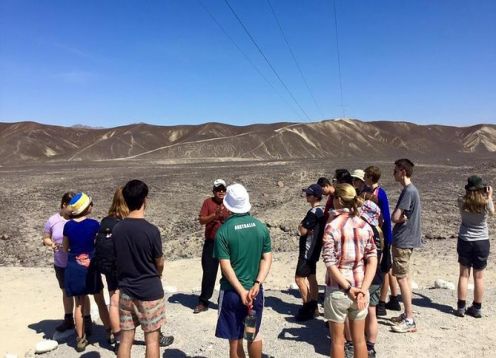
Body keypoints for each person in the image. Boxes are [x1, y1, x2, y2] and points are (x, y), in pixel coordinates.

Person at [214, 183, 272, 358]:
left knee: (235, 338)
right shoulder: (260, 227)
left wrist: (240, 291)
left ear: (227, 205)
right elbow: (266, 258)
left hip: (232, 292)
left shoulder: (223, 231)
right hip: (255, 292)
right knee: (253, 334)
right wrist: (257, 283)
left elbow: (225, 265)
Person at [322, 183, 377, 358]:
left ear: (338, 200)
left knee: (338, 341)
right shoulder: (365, 226)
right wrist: (363, 288)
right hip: (360, 287)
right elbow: (372, 258)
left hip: (339, 289)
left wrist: (347, 288)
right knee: (359, 339)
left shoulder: (332, 227)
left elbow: (330, 263)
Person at [113, 180, 166, 358]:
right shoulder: (151, 231)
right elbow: (159, 261)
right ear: (145, 200)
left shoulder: (118, 228)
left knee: (126, 339)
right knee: (152, 340)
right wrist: (158, 274)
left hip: (126, 291)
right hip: (149, 291)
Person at [62, 192, 111, 352]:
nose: (92, 205)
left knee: (79, 304)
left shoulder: (68, 226)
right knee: (100, 300)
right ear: (86, 208)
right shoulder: (94, 224)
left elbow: (65, 248)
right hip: (91, 266)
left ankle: (80, 339)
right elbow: (98, 244)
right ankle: (109, 332)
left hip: (74, 267)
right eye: (91, 203)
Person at [43, 192, 92, 332]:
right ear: (64, 205)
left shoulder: (77, 219)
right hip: (61, 263)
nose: (74, 209)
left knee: (81, 294)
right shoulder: (53, 220)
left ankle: (86, 320)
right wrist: (50, 243)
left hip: (77, 263)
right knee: (66, 292)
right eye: (72, 206)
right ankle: (68, 319)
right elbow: (46, 237)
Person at [390, 159, 422, 333]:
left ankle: (410, 319)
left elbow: (395, 217)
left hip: (403, 240)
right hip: (406, 239)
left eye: (395, 170)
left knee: (401, 279)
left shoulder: (408, 191)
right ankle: (406, 313)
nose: (393, 173)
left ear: (402, 171)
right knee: (405, 278)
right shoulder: (411, 190)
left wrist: (400, 218)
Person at [455, 176, 494, 318]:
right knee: (479, 277)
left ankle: (461, 307)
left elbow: (465, 199)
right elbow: (493, 212)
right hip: (481, 240)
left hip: (465, 239)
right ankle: (477, 307)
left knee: (464, 275)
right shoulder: (486, 203)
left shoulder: (462, 201)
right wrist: (489, 196)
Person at [363, 166, 398, 316]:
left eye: (366, 176)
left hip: (380, 236)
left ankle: (381, 303)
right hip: (370, 235)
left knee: (383, 270)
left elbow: (385, 216)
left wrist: (386, 237)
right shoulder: (367, 192)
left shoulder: (380, 193)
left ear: (371, 177)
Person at [195, 179, 230, 314]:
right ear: (214, 191)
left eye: (223, 189)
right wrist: (214, 215)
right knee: (209, 272)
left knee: (228, 273)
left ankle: (226, 301)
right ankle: (203, 301)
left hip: (227, 243)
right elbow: (202, 220)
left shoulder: (229, 203)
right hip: (211, 242)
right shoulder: (208, 202)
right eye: (218, 189)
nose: (221, 192)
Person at [295, 184, 325, 321]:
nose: (306, 196)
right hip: (315, 251)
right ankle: (315, 308)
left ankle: (308, 306)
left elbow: (302, 231)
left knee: (299, 278)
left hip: (307, 251)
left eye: (309, 194)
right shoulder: (321, 211)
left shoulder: (313, 213)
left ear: (315, 197)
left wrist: (301, 226)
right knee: (311, 278)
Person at [359, 201, 383, 357]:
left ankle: (358, 342)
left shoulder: (366, 231)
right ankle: (371, 346)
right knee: (372, 311)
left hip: (365, 276)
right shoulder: (379, 231)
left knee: (360, 311)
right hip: (377, 276)